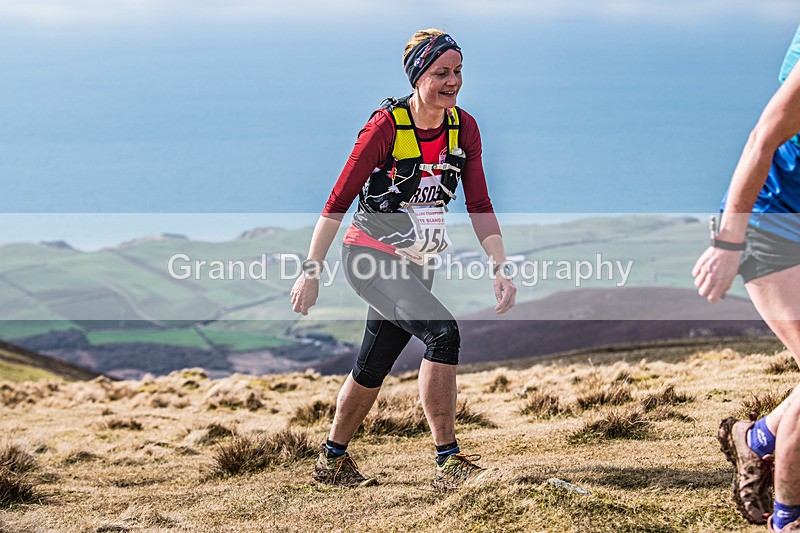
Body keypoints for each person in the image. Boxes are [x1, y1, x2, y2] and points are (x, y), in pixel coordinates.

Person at [290, 29, 516, 491]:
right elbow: (336, 202)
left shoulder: (464, 128)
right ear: (417, 76)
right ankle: (448, 461)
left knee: (373, 365)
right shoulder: (385, 127)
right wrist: (310, 272)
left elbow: (479, 202)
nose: (453, 82)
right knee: (443, 333)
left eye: (458, 72)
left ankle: (331, 460)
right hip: (369, 258)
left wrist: (500, 266)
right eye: (441, 73)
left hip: (418, 263)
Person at [692, 24, 800, 532]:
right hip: (767, 225)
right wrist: (728, 244)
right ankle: (787, 518)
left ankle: (755, 440)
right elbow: (761, 139)